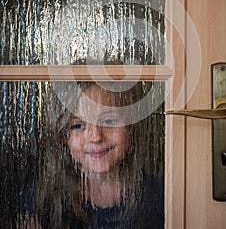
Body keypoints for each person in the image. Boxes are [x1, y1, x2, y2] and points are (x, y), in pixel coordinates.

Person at [18, 76, 164, 229]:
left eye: (108, 121)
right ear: (63, 136)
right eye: (77, 126)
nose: (95, 137)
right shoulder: (43, 197)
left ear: (131, 128)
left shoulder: (159, 197)